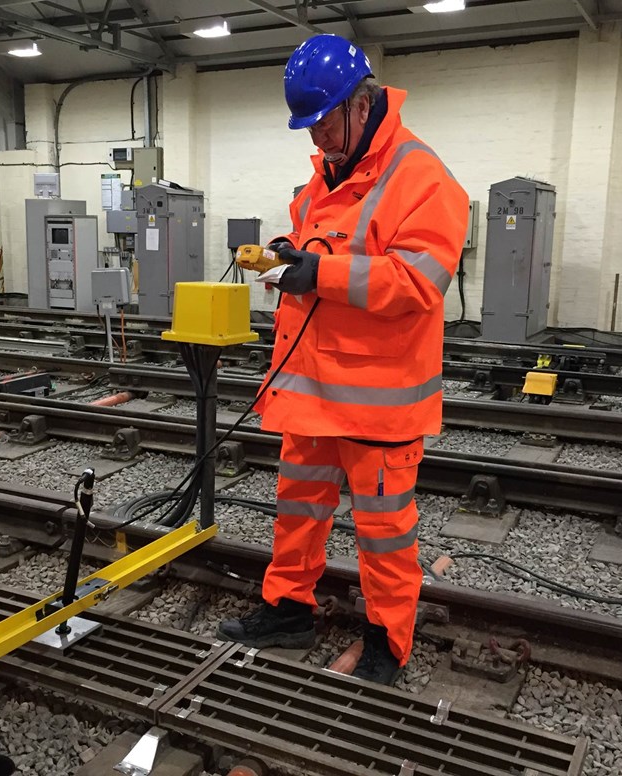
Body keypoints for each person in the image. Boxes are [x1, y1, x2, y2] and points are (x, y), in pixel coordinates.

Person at [217, 35, 469, 685]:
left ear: (362, 105)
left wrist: (318, 274)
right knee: (297, 511)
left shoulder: (423, 179)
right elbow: (320, 250)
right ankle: (286, 608)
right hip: (313, 393)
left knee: (383, 534)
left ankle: (387, 640)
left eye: (327, 123)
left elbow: (417, 284)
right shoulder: (325, 176)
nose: (320, 139)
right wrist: (287, 253)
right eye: (312, 128)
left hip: (379, 404)